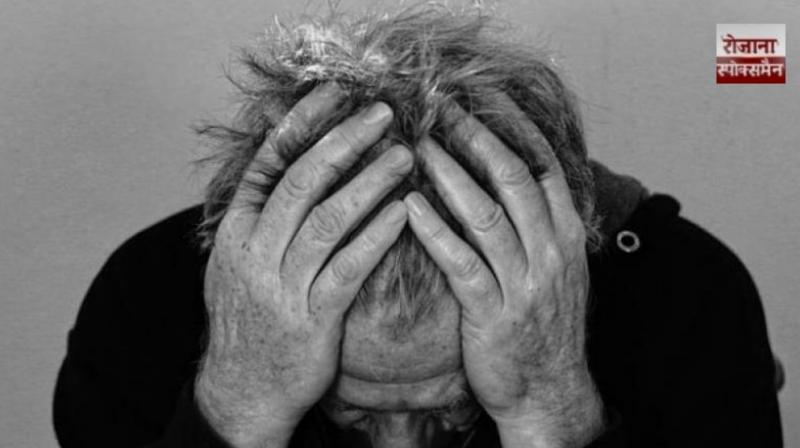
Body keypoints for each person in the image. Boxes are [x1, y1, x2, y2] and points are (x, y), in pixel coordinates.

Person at [53, 5, 783, 447]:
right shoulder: (146, 302)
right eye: (353, 412)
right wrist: (236, 413)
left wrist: (549, 411)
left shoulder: (687, 299)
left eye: (458, 410)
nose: (403, 447)